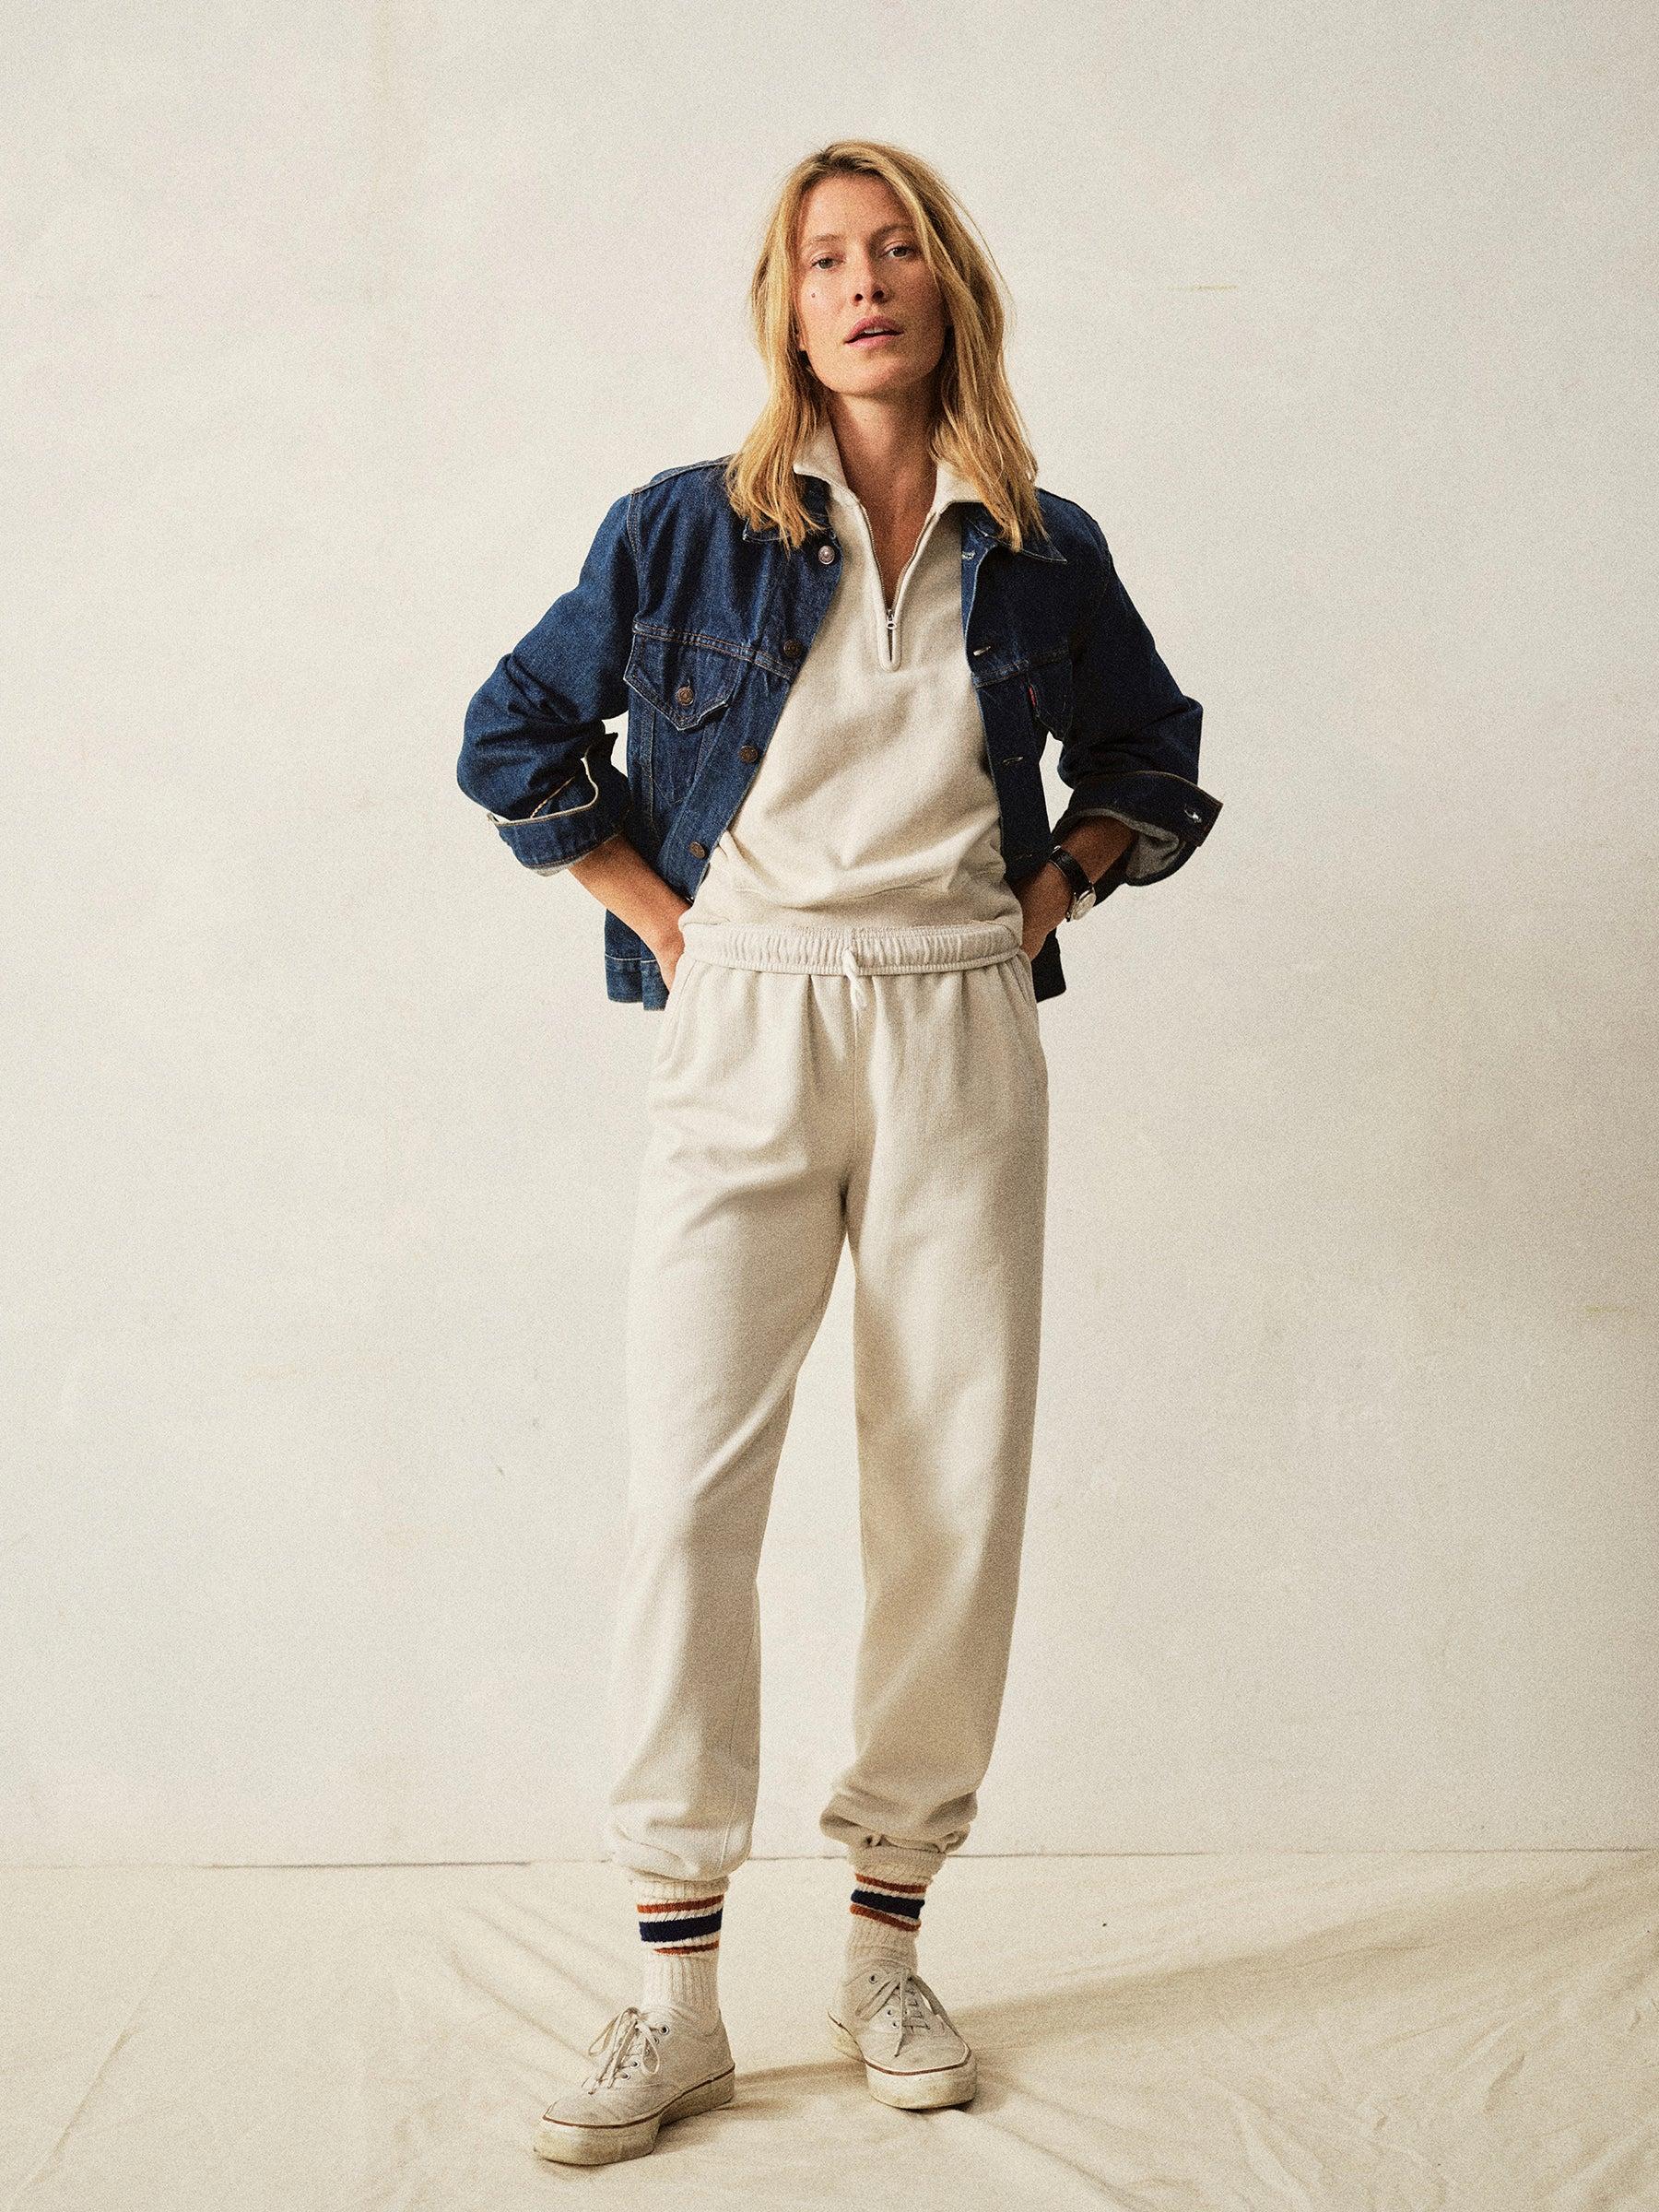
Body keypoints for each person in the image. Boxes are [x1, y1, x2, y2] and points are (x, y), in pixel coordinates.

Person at [457, 138, 1221, 2167]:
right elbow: (512, 733)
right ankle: (674, 1998)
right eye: (825, 259)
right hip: (751, 1012)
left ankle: (885, 1947)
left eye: (894, 252)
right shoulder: (685, 528)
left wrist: (1046, 897)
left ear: (948, 285)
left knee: (949, 1484)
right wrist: (670, 922)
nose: (863, 283)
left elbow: (1153, 757)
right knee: (686, 1490)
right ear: (785, 308)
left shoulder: (1039, 548)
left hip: (960, 1016)